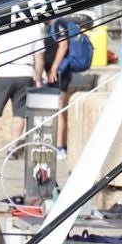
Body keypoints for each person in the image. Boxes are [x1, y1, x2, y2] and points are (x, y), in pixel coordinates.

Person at [0, 23, 42, 158]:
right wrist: (38, 78)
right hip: (26, 72)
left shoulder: (3, 23)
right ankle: (12, 149)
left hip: (4, 73)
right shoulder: (35, 27)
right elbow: (39, 57)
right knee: (19, 113)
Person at [43, 11, 93, 154]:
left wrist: (53, 68)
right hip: (59, 72)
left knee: (59, 109)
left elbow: (63, 45)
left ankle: (60, 147)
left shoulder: (59, 23)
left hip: (59, 73)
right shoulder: (59, 24)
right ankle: (59, 145)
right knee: (58, 109)